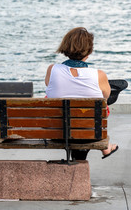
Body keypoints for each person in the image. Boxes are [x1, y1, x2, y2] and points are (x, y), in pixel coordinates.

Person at [45, 27, 118, 159]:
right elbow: (106, 97)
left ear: (65, 47)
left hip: (57, 134)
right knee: (100, 106)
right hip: (89, 135)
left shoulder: (52, 69)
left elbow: (48, 86)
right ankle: (105, 147)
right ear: (89, 51)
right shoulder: (98, 75)